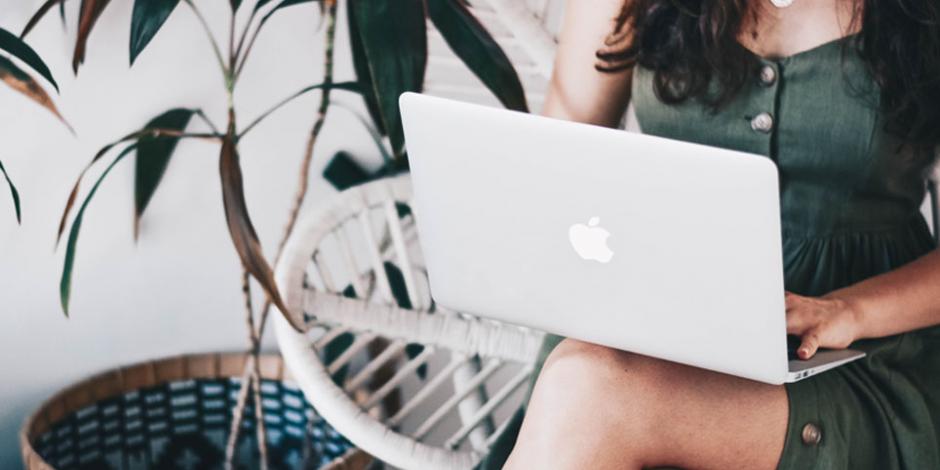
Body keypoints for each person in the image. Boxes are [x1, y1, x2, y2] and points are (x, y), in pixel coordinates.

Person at [483, 0, 940, 468]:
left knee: (589, 393)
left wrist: (851, 311)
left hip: (868, 347)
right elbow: (559, 157)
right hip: (666, 321)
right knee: (583, 382)